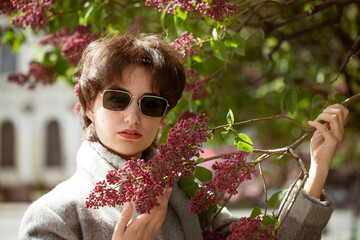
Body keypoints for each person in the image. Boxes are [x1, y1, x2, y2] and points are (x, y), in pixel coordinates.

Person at [19, 34, 349, 240]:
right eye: (117, 99)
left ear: (162, 116)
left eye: (151, 104)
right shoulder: (54, 216)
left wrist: (316, 172)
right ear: (89, 106)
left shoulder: (183, 195)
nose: (133, 117)